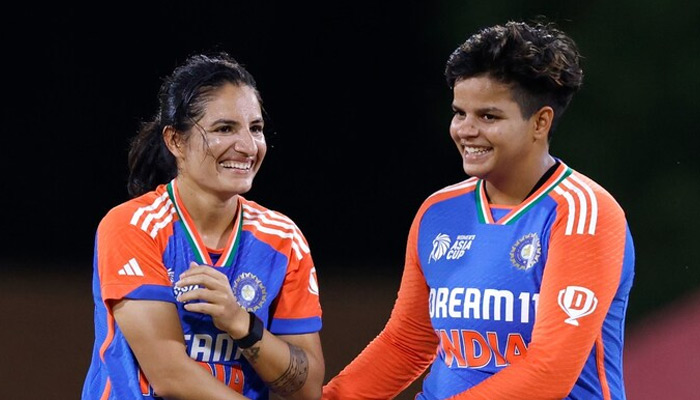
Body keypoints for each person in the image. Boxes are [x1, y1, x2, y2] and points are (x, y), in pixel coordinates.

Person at [322, 20, 635, 400]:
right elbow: (407, 343)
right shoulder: (438, 211)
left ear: (540, 122)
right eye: (460, 113)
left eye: (488, 117)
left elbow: (549, 371)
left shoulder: (584, 213)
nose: (465, 130)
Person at [82, 52, 324, 399]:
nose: (247, 146)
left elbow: (307, 388)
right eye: (224, 129)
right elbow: (170, 376)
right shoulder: (133, 227)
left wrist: (241, 323)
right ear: (175, 141)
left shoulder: (283, 240)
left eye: (255, 128)